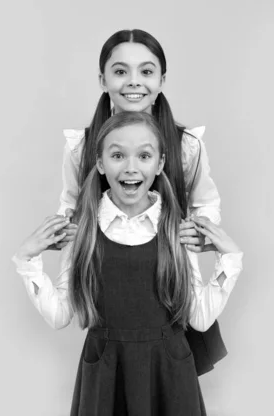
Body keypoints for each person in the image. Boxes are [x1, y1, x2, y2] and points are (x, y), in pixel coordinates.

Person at [13, 112, 243, 415]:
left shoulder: (176, 228)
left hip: (169, 374)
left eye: (144, 155)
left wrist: (230, 260)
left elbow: (199, 318)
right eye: (118, 155)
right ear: (99, 163)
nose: (131, 167)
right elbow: (59, 316)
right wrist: (27, 260)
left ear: (160, 164)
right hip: (106, 373)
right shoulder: (82, 230)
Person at [54, 28, 231, 375]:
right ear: (102, 79)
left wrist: (200, 234)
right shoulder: (82, 146)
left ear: (162, 79)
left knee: (166, 379)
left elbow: (205, 203)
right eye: (120, 71)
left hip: (167, 280)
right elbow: (70, 204)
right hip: (113, 280)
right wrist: (66, 235)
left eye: (146, 71)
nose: (134, 82)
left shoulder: (185, 145)